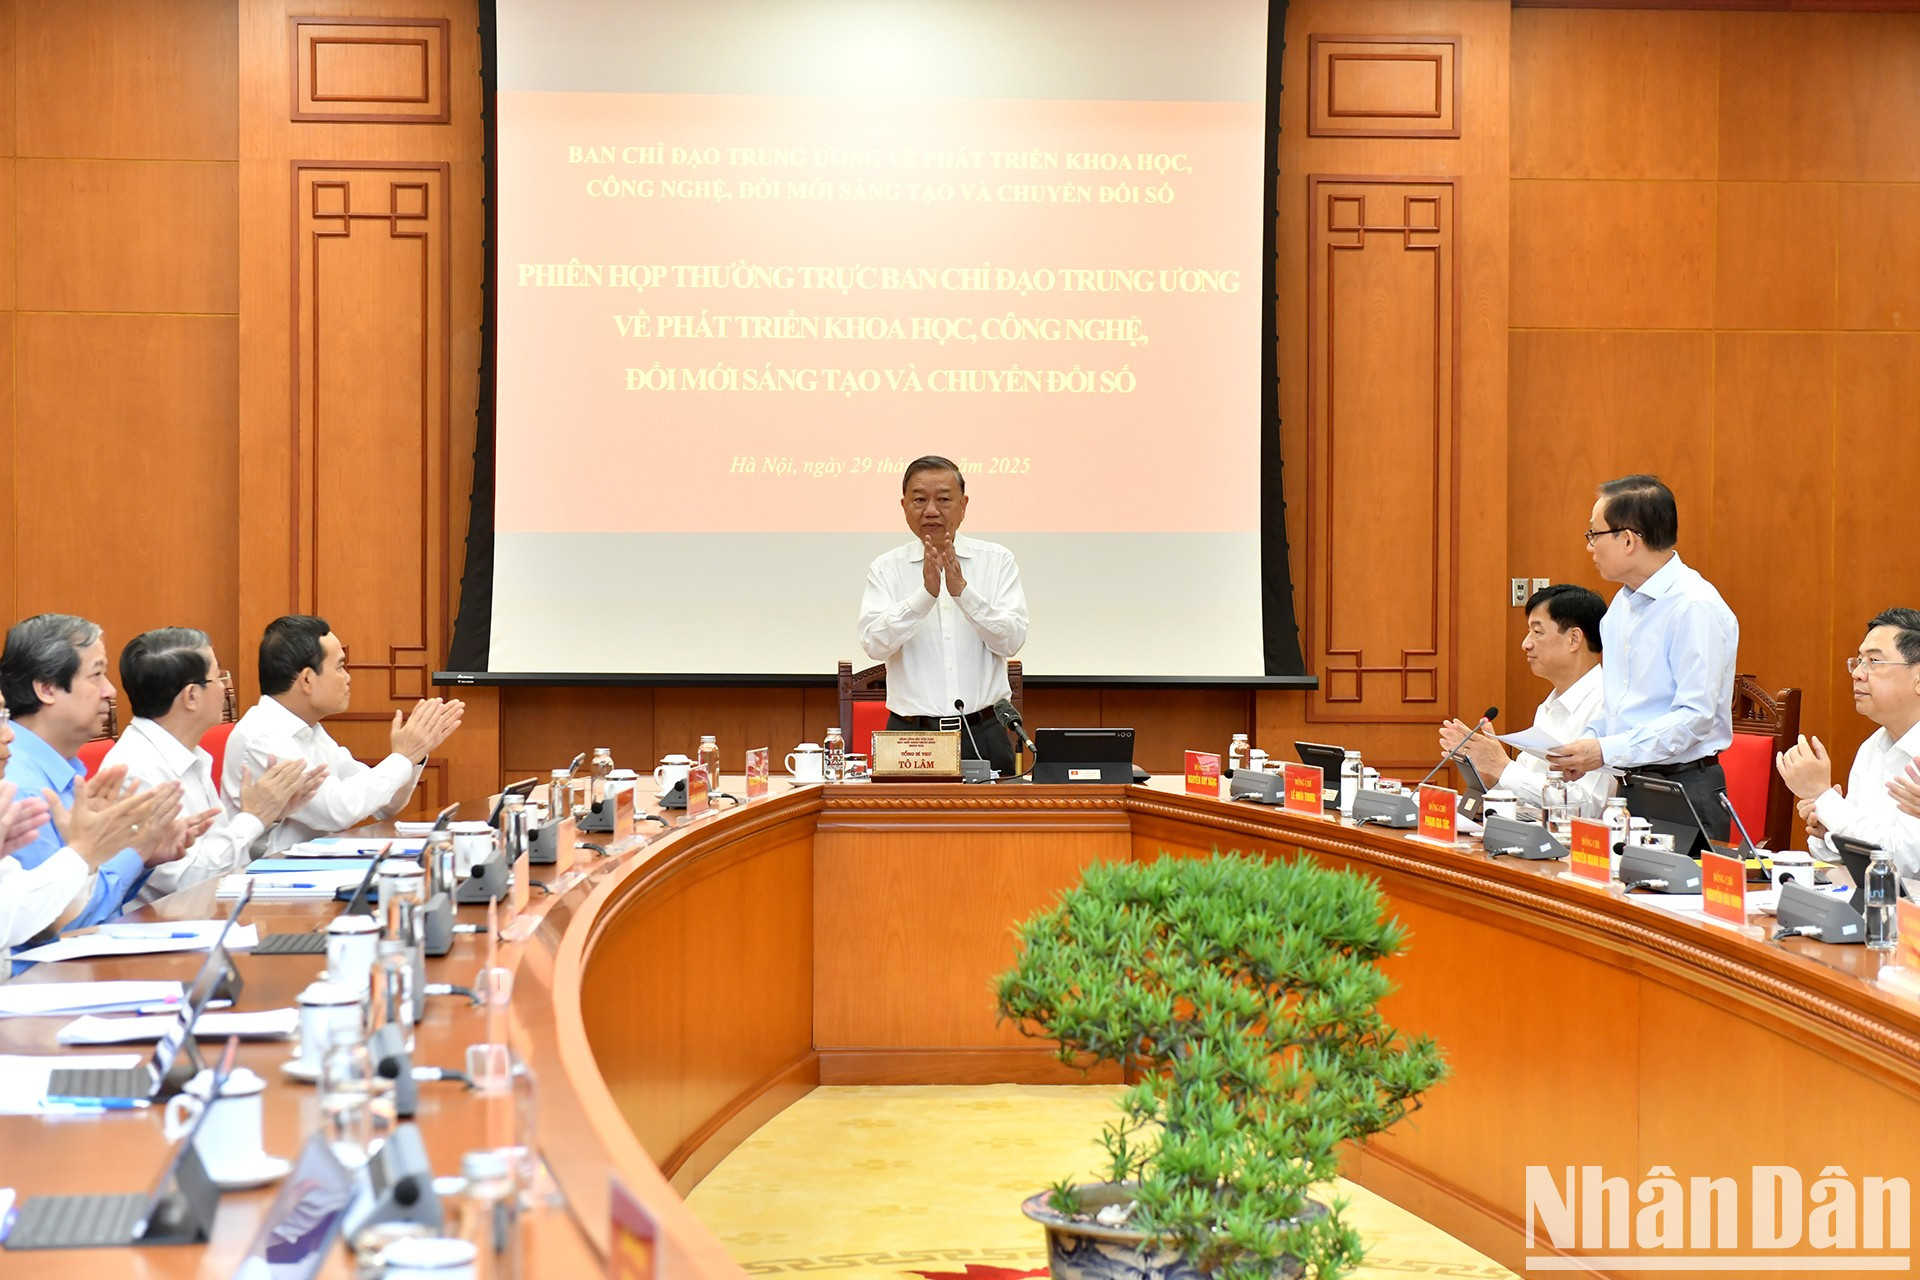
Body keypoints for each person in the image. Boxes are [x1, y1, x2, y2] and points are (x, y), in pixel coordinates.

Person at [1546, 475, 1738, 839]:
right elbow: (1619, 704)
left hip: (1684, 791)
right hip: (1631, 786)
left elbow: (1694, 717)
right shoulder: (1622, 605)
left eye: (1594, 535)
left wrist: (1604, 750)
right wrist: (1586, 743)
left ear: (1629, 539)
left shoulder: (1694, 606)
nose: (1589, 547)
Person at [0, 614, 191, 929]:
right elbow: (59, 924)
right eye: (97, 675)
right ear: (47, 689)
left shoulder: (64, 770)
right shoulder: (23, 788)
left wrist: (140, 853)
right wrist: (135, 851)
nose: (111, 691)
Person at [103, 628, 324, 899]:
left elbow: (219, 854)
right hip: (168, 927)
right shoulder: (138, 771)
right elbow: (189, 880)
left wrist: (270, 814)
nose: (224, 687)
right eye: (218, 676)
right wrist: (254, 816)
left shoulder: (185, 753)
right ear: (192, 696)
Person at [223, 616, 465, 853]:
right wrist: (402, 757)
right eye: (340, 667)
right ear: (307, 679)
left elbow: (386, 805)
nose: (348, 677)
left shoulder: (309, 729)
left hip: (308, 868)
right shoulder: (263, 736)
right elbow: (338, 810)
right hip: (267, 877)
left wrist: (414, 756)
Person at [857, 455, 1028, 776]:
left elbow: (1012, 641)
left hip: (984, 732)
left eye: (944, 499)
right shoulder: (886, 568)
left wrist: (963, 591)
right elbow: (874, 645)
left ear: (963, 505)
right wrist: (925, 596)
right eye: (920, 499)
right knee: (904, 828)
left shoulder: (997, 561)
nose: (931, 510)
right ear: (904, 505)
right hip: (910, 737)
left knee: (992, 827)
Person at [1439, 584, 1612, 814]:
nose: (1526, 643)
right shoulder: (1548, 707)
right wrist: (1490, 776)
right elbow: (1527, 797)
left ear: (1574, 639)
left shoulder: (1606, 705)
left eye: (1537, 632)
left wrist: (1502, 766)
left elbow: (1588, 808)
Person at [1775, 609, 1920, 875]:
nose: (1858, 674)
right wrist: (1827, 829)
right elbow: (1852, 855)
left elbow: (1901, 860)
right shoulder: (1872, 746)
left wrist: (1823, 798)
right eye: (1859, 661)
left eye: (1874, 661)